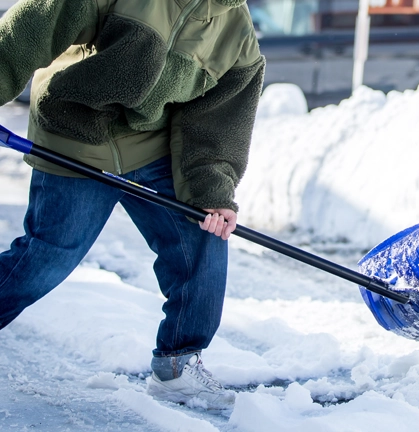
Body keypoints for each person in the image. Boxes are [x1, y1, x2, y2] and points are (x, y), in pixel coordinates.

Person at [0, 0, 265, 410]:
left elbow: (217, 123)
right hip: (77, 135)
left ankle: (177, 365)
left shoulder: (236, 35)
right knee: (46, 258)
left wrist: (212, 194)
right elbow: (30, 30)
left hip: (151, 146)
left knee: (203, 238)